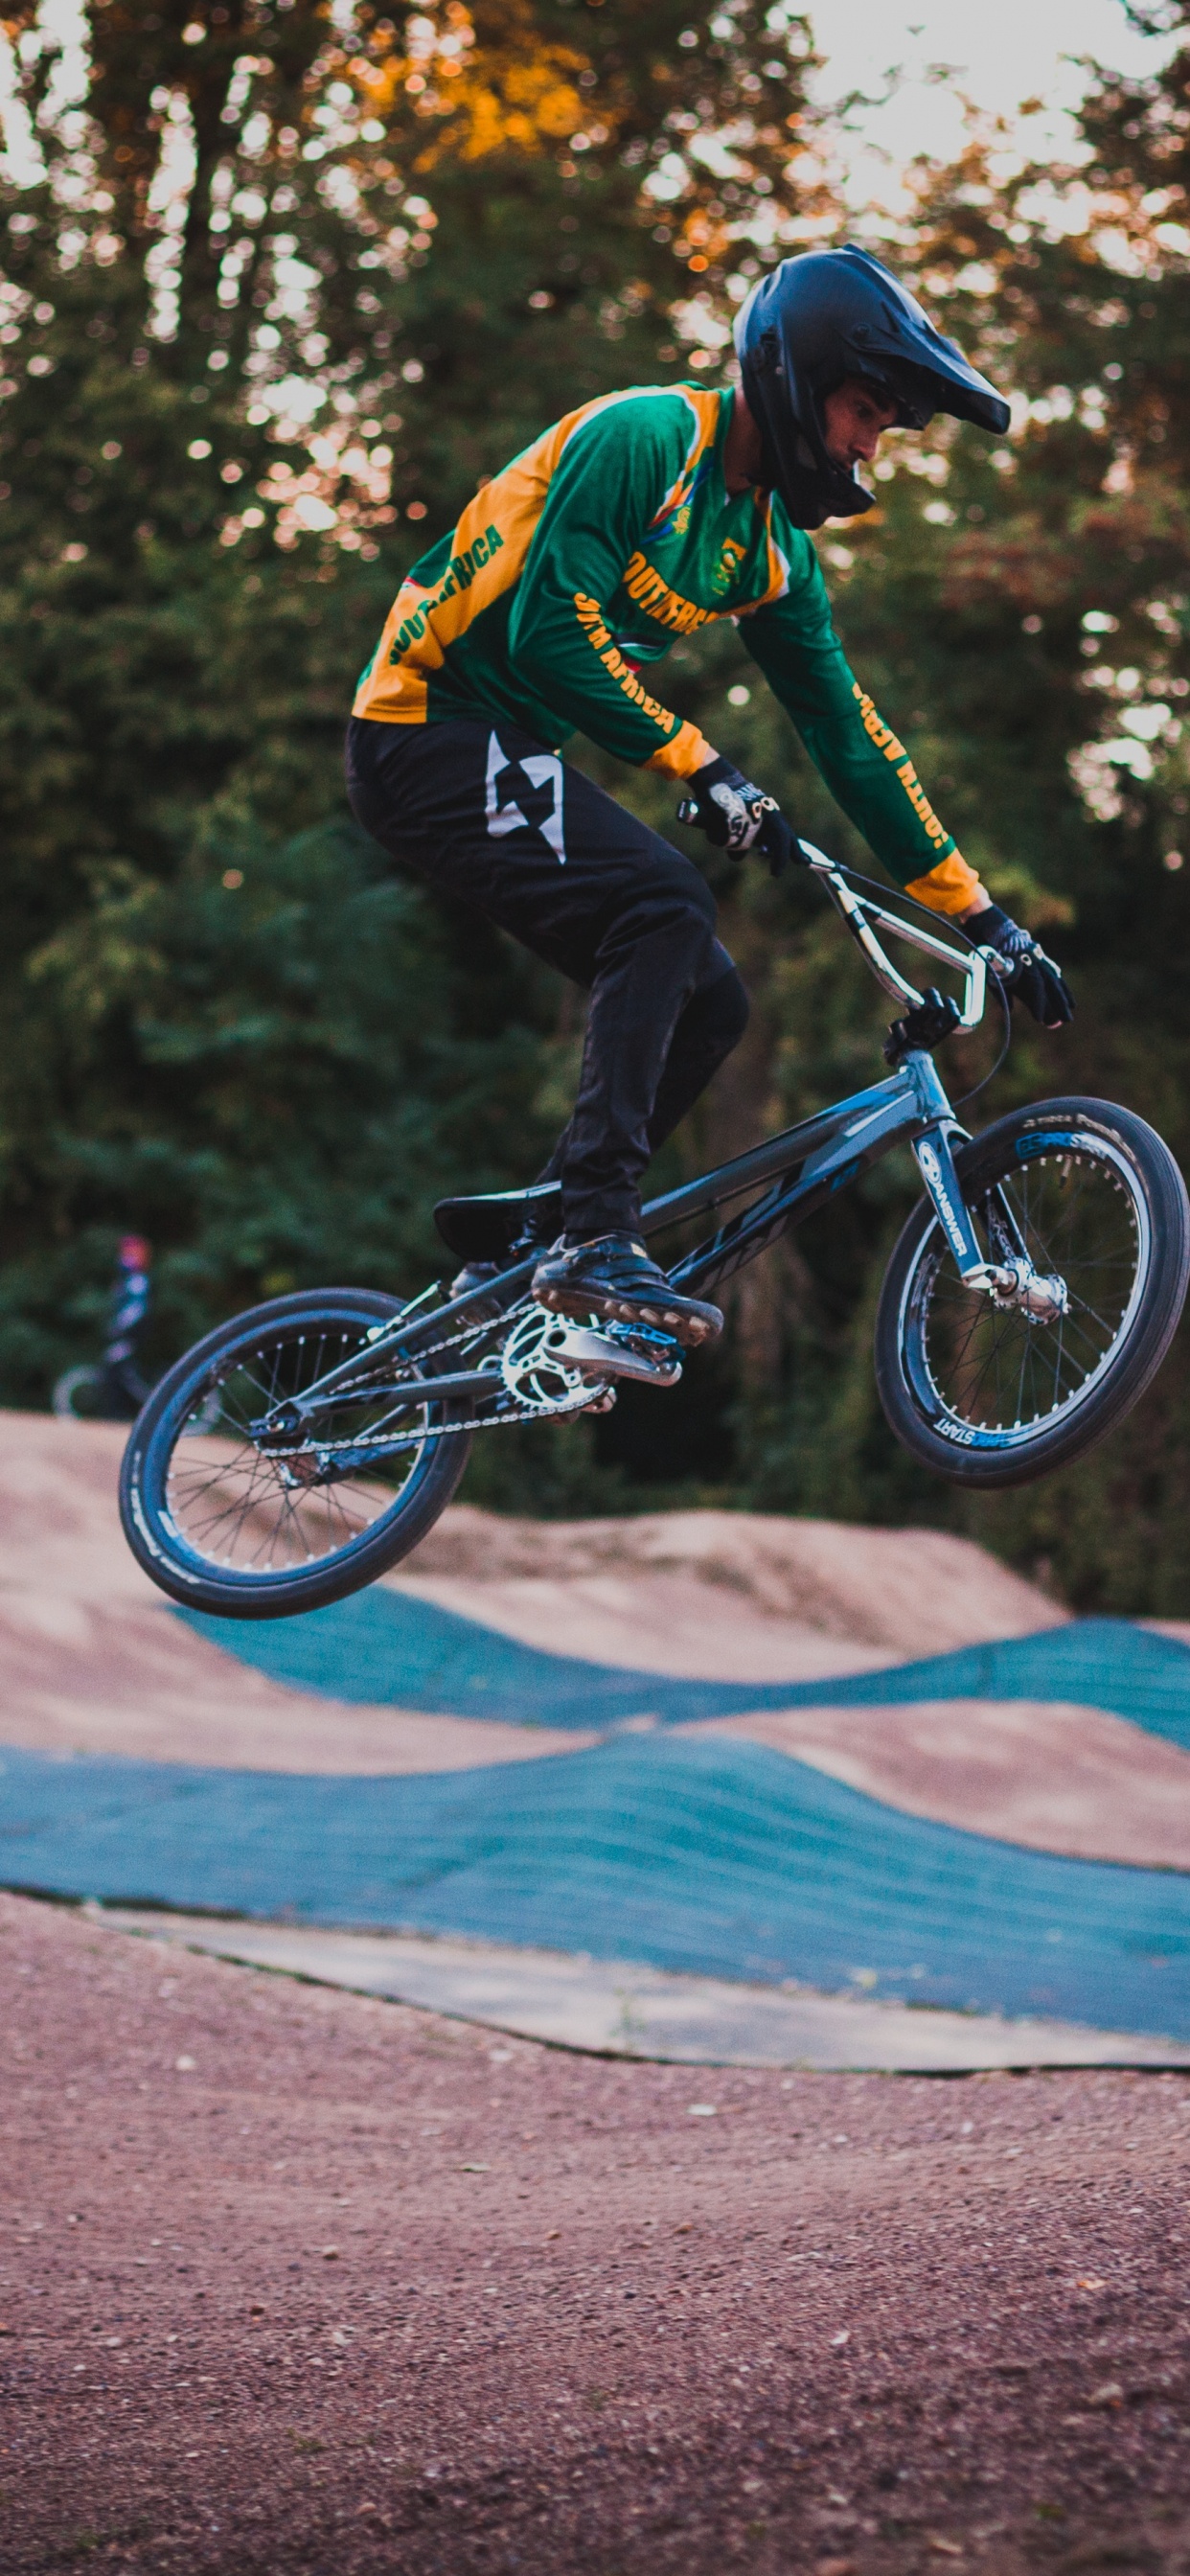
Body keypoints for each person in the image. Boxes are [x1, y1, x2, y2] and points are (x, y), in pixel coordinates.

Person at [346, 245, 1072, 1349]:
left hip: (498, 746)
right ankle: (592, 1230)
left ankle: (552, 1232)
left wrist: (987, 920)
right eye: (863, 411)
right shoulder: (645, 440)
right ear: (792, 376)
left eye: (885, 426)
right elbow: (549, 634)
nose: (870, 446)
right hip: (420, 728)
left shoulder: (769, 550)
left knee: (713, 998)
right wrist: (704, 765)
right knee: (664, 904)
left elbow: (850, 737)